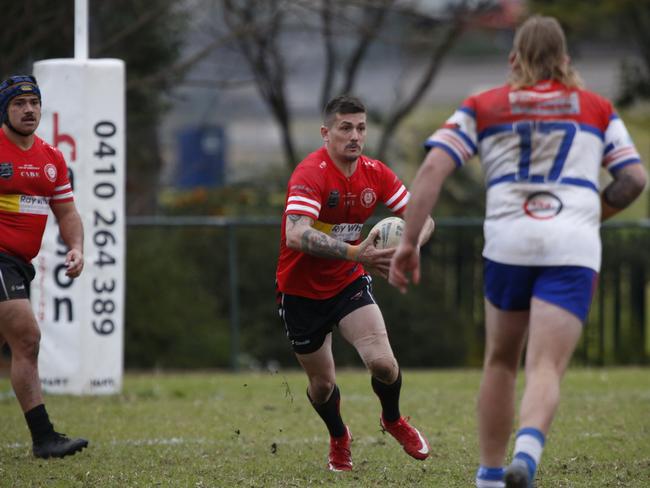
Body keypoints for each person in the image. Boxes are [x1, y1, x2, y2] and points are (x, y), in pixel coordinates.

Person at [389, 16, 646, 488]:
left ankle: (489, 474)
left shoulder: (483, 104)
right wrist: (589, 214)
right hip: (571, 243)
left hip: (509, 240)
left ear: (514, 60)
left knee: (501, 360)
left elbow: (431, 168)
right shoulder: (596, 108)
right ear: (565, 61)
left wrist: (408, 243)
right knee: (545, 365)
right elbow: (633, 179)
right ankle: (526, 454)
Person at [275, 94, 435, 472]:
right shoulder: (310, 173)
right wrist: (355, 253)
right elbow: (295, 233)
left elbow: (423, 218)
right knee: (323, 386)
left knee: (383, 363)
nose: (355, 135)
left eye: (360, 127)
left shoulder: (375, 173)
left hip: (347, 282)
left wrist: (410, 246)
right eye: (345, 127)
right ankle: (338, 436)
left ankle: (393, 420)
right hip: (300, 293)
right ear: (325, 133)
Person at [0, 75, 89, 458]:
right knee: (27, 338)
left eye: (34, 102)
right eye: (19, 104)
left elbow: (67, 212)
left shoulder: (51, 158)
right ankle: (44, 438)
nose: (28, 109)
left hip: (20, 265)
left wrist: (77, 248)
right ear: (5, 109)